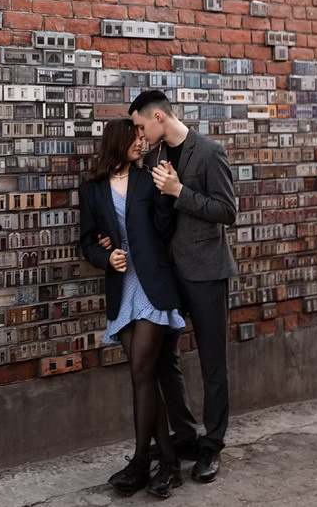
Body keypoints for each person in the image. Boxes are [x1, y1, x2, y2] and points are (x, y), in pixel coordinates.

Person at [128, 89, 238, 485]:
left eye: (141, 126)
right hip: (169, 275)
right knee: (162, 356)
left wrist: (179, 192)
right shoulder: (154, 157)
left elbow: (228, 212)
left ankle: (213, 443)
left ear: (159, 117)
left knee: (212, 360)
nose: (139, 135)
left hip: (207, 270)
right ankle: (186, 434)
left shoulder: (209, 152)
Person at [80, 118, 184, 498]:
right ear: (119, 141)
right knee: (146, 374)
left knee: (141, 368)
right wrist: (107, 257)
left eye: (143, 136)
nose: (142, 142)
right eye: (136, 137)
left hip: (153, 284)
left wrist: (168, 194)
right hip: (122, 287)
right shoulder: (91, 190)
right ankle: (168, 464)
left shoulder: (147, 179)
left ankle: (141, 461)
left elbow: (163, 227)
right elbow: (87, 242)